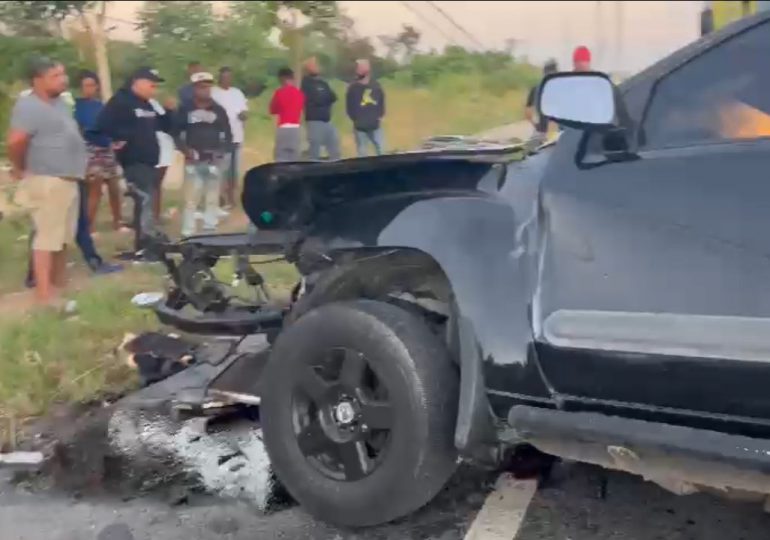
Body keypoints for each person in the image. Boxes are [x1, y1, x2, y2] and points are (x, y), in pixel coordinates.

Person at [7, 57, 88, 305]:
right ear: (38, 80)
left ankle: (59, 284)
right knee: (47, 237)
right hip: (47, 179)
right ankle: (44, 293)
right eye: (55, 76)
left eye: (63, 74)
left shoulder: (60, 103)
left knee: (63, 237)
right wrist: (20, 169)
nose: (63, 80)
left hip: (68, 179)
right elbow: (16, 141)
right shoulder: (28, 106)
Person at [97, 67, 172, 258]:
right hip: (133, 159)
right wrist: (118, 140)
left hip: (149, 160)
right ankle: (144, 245)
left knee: (145, 202)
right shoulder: (120, 102)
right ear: (137, 82)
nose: (153, 89)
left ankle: (145, 242)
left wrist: (170, 112)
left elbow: (165, 126)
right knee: (144, 201)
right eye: (151, 84)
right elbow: (100, 127)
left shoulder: (147, 104)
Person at [174, 71, 232, 237]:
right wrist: (185, 151)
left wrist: (221, 152)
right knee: (191, 198)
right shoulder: (185, 109)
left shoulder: (218, 109)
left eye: (208, 87)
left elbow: (227, 135)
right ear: (194, 89)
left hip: (213, 160)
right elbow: (175, 133)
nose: (205, 91)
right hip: (193, 160)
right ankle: (188, 231)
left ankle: (210, 229)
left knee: (212, 196)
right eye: (201, 87)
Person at [74, 71, 126, 234]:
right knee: (95, 188)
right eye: (85, 85)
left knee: (114, 187)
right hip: (90, 149)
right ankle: (89, 227)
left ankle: (118, 222)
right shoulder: (78, 107)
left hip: (107, 148)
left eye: (92, 85)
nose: (89, 88)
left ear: (97, 87)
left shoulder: (101, 106)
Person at [212, 66, 249, 209]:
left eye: (230, 77)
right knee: (222, 170)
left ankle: (231, 197)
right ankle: (219, 197)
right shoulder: (214, 93)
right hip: (221, 138)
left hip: (237, 136)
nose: (228, 80)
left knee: (235, 171)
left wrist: (244, 115)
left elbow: (245, 111)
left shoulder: (237, 93)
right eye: (225, 77)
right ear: (220, 78)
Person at [301, 57, 340, 161]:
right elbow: (315, 99)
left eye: (316, 64)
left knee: (335, 149)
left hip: (327, 121)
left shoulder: (323, 83)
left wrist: (322, 98)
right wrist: (323, 98)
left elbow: (333, 97)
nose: (316, 67)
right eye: (313, 65)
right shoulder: (305, 84)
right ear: (307, 68)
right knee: (315, 152)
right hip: (314, 122)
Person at [346, 59, 385, 157]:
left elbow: (381, 101)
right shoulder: (352, 87)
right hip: (360, 127)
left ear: (367, 70)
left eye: (359, 68)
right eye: (357, 68)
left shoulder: (376, 85)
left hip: (375, 126)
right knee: (362, 154)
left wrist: (380, 116)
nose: (357, 71)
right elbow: (349, 106)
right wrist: (355, 119)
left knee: (382, 152)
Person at [149, 97, 176, 222]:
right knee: (151, 184)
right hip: (151, 145)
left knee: (156, 184)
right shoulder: (136, 104)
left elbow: (167, 124)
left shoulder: (154, 103)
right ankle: (151, 216)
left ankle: (155, 215)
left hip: (163, 145)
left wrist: (169, 111)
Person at [269, 67, 304, 162]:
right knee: (295, 159)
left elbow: (272, 110)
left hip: (283, 128)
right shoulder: (299, 93)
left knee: (281, 158)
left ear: (282, 79)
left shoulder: (279, 93)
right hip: (296, 129)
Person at [525, 59, 558, 137]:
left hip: (540, 131)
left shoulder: (536, 88)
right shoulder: (560, 89)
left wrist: (536, 125)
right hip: (556, 134)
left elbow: (528, 113)